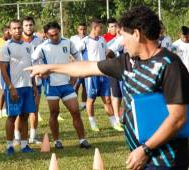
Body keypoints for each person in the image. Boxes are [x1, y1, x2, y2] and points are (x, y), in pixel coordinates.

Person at [26, 6, 189, 170]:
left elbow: (178, 118)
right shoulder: (127, 62)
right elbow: (87, 68)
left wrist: (146, 149)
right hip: (141, 156)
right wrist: (50, 68)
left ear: (137, 34)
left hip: (167, 160)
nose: (122, 42)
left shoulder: (169, 65)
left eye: (124, 37)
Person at [32, 21, 91, 149]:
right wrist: (40, 73)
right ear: (46, 35)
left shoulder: (68, 42)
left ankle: (82, 140)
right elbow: (33, 60)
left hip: (66, 85)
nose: (54, 37)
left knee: (75, 112)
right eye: (51, 35)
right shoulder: (42, 47)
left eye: (56, 34)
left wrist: (75, 75)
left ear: (60, 31)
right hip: (51, 86)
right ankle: (57, 141)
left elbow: (78, 59)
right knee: (54, 113)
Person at [0, 19, 36, 155]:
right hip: (14, 87)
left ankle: (24, 145)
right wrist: (10, 87)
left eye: (19, 28)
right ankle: (9, 146)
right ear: (9, 30)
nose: (17, 30)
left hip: (27, 86)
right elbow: (3, 68)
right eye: (14, 28)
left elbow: (30, 67)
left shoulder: (28, 46)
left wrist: (33, 85)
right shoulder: (6, 46)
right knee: (12, 117)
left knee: (25, 116)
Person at [80, 19, 123, 132]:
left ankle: (114, 123)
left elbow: (107, 52)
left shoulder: (102, 39)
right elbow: (75, 53)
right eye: (100, 27)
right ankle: (93, 123)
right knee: (91, 99)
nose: (102, 29)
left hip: (103, 73)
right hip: (91, 74)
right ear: (95, 28)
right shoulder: (84, 42)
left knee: (107, 99)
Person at [14, 16, 43, 145]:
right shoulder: (17, 40)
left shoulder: (40, 40)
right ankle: (17, 137)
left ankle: (33, 136)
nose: (28, 27)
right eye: (26, 25)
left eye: (31, 25)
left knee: (34, 108)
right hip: (20, 80)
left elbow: (44, 57)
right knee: (18, 109)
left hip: (36, 79)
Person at [70, 22, 87, 110]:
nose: (82, 31)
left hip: (86, 66)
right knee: (76, 85)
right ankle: (74, 103)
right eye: (81, 29)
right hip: (77, 66)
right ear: (78, 30)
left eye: (84, 29)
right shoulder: (73, 38)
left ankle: (83, 104)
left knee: (85, 86)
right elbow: (70, 51)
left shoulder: (88, 39)